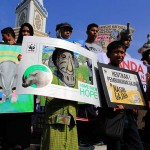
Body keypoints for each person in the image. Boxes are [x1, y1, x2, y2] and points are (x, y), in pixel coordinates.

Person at [40, 22, 78, 150]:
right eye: (63, 57)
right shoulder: (48, 77)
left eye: (70, 58)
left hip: (71, 127)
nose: (67, 61)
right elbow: (45, 100)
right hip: (54, 126)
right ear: (56, 61)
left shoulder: (76, 81)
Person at [117, 24, 144, 150]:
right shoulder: (113, 53)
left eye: (129, 40)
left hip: (130, 103)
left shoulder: (131, 60)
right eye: (126, 38)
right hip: (116, 102)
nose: (128, 41)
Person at [77, 23, 104, 147]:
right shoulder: (81, 45)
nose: (95, 32)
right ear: (87, 32)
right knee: (83, 110)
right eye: (92, 30)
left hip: (96, 81)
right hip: (84, 81)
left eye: (96, 31)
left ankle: (94, 137)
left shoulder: (100, 49)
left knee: (95, 111)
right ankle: (82, 136)